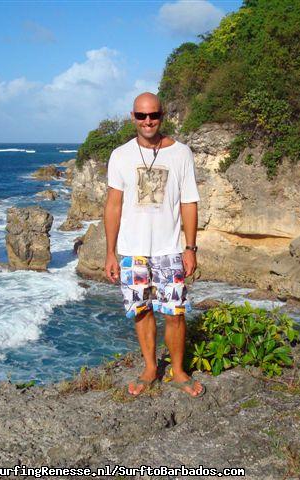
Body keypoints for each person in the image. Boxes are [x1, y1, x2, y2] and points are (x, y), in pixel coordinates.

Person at [104, 92, 204, 398]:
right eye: (141, 115)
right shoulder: (120, 155)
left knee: (175, 313)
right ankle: (150, 368)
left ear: (162, 116)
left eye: (153, 115)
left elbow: (189, 202)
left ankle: (178, 371)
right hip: (132, 250)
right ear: (132, 117)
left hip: (169, 249)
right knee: (141, 310)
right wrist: (110, 252)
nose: (148, 121)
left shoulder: (181, 153)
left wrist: (190, 248)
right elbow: (113, 205)